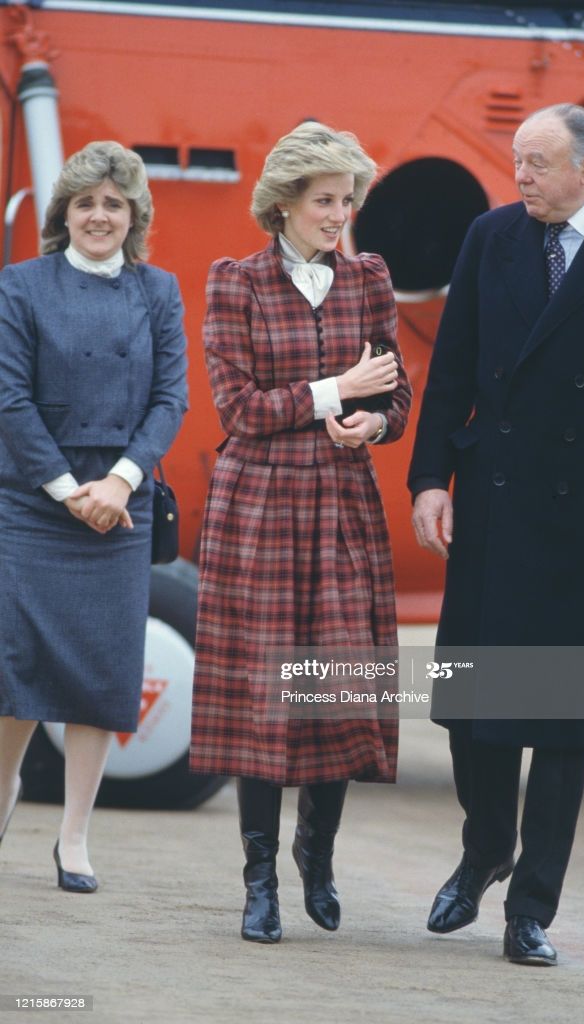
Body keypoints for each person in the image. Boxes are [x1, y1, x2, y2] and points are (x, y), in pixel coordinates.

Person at [408, 103, 584, 965]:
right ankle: (485, 848)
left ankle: (531, 910)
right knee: (467, 707)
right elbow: (450, 367)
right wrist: (426, 482)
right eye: (518, 162)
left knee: (562, 723)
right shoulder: (491, 237)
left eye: (536, 163)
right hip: (492, 495)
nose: (519, 177)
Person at [190, 121, 411, 943]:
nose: (339, 213)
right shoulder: (234, 281)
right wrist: (334, 388)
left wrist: (373, 424)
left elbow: (395, 392)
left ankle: (316, 854)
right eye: (325, 200)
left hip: (341, 501)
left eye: (347, 199)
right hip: (260, 510)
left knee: (337, 688)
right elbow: (240, 410)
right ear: (282, 204)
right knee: (263, 700)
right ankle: (259, 882)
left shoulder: (367, 277)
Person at [0, 141, 188, 892]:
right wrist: (66, 490)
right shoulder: (20, 286)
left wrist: (116, 483)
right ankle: (4, 798)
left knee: (102, 677)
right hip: (32, 502)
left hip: (122, 502)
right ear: (64, 214)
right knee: (14, 671)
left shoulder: (160, 291)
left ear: (134, 213)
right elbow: (8, 398)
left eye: (114, 203)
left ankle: (74, 836)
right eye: (85, 203)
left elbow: (170, 399)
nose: (99, 215)